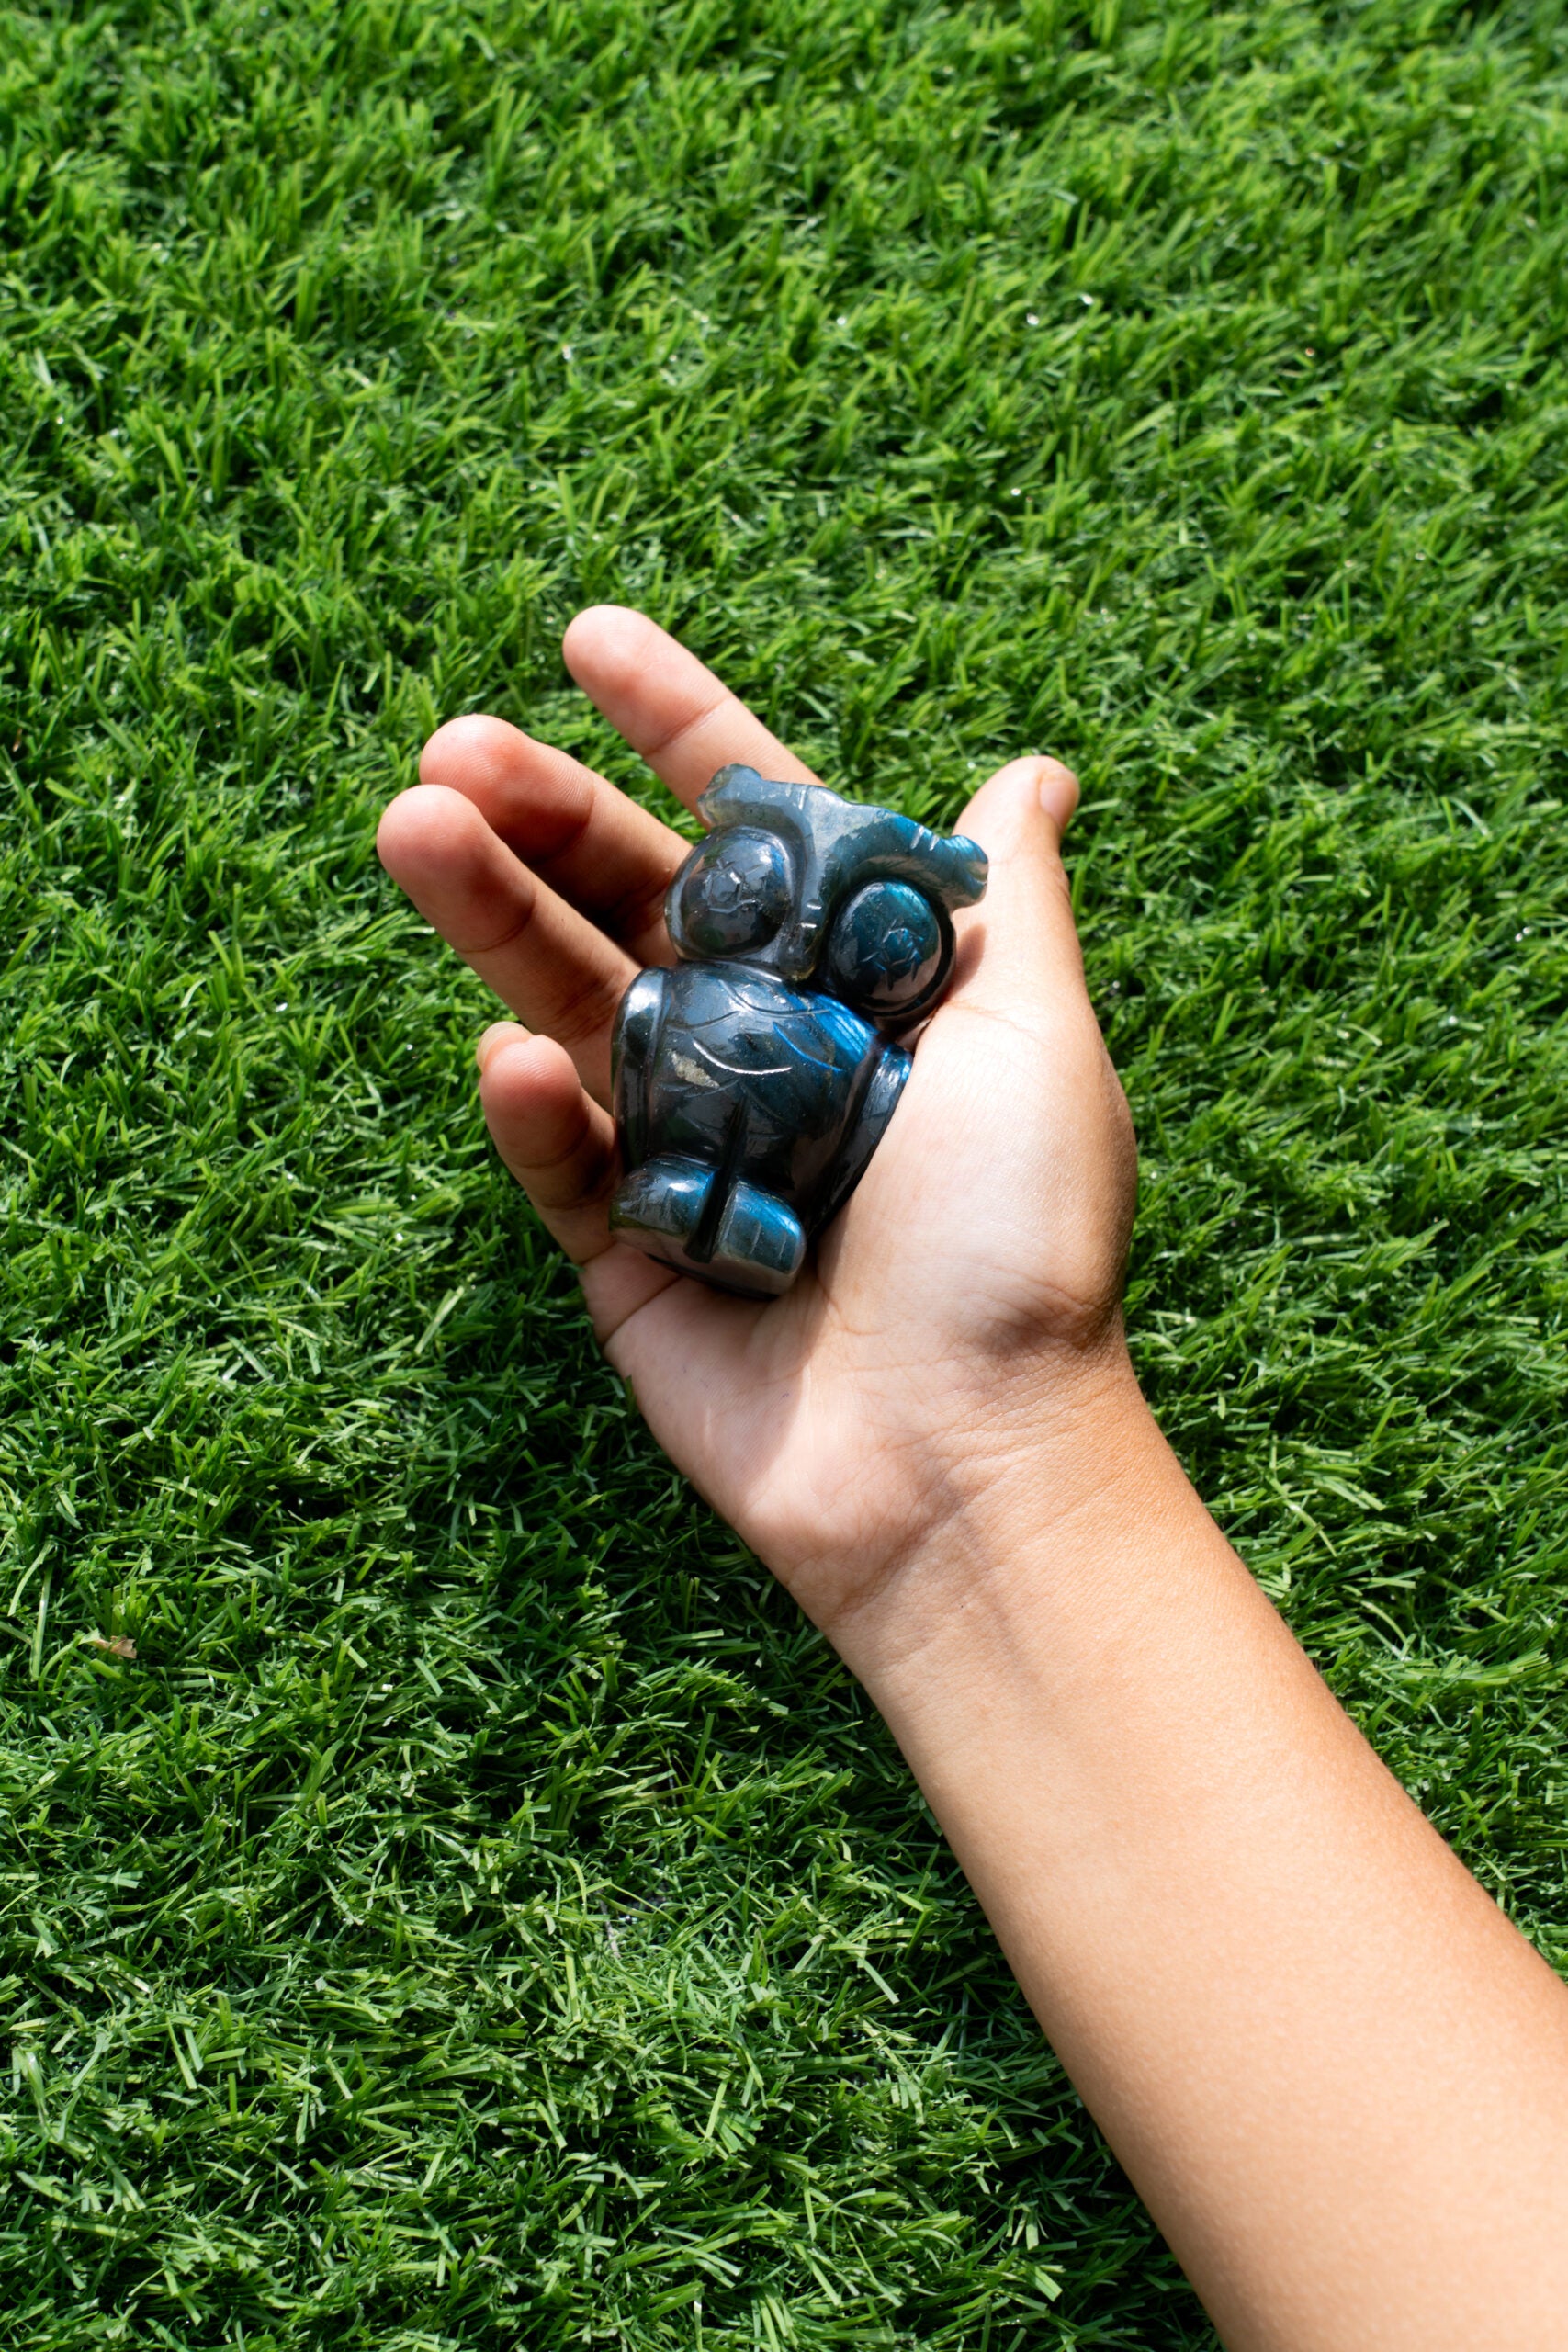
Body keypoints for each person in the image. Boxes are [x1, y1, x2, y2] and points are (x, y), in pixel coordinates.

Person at [377, 605, 1568, 2352]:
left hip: (788, 1215)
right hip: (715, 1179)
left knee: (741, 1167)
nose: (781, 936)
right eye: (751, 891)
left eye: (847, 926)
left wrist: (984, 1440)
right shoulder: (699, 992)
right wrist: (985, 1490)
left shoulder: (854, 1050)